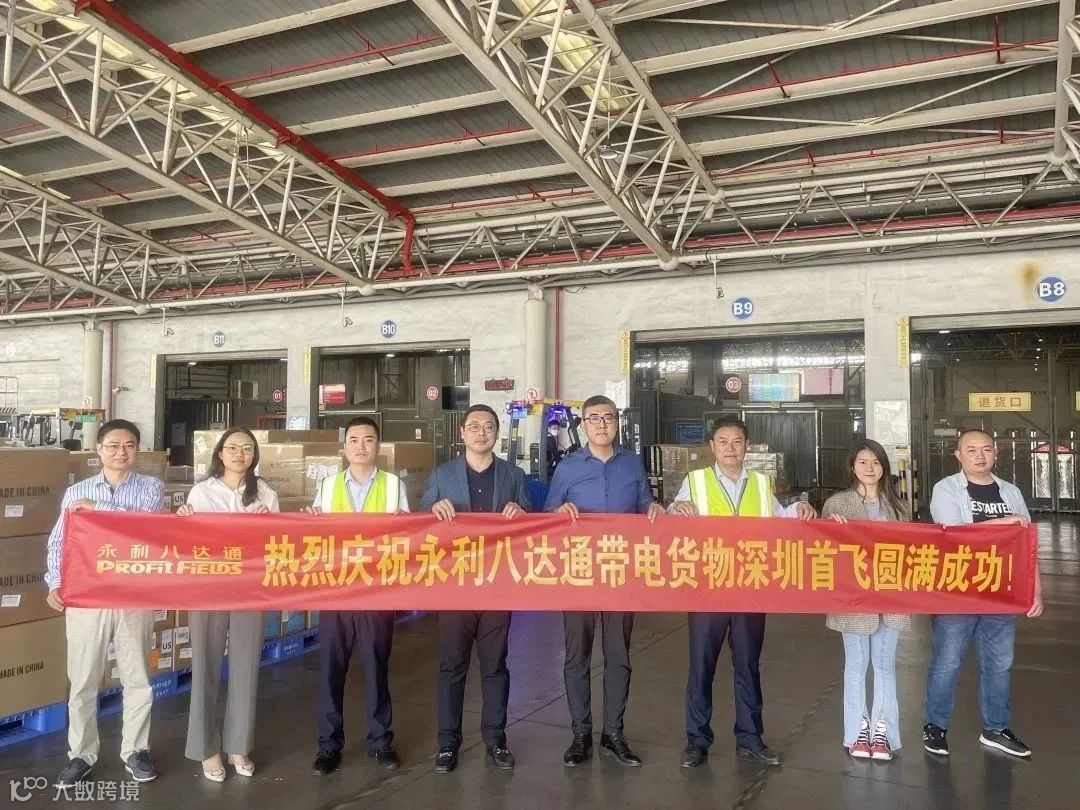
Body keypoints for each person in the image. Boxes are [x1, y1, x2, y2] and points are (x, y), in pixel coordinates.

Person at [669, 415, 815, 769]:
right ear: (712, 447)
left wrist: (800, 509)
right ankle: (697, 741)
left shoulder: (761, 484)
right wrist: (676, 508)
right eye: (723, 441)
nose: (730, 448)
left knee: (747, 666)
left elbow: (779, 517)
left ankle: (750, 738)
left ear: (746, 446)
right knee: (701, 667)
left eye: (737, 441)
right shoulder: (696, 481)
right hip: (709, 588)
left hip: (750, 587)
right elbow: (674, 515)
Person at [543, 395, 663, 768]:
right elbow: (547, 515)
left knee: (618, 657)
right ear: (583, 425)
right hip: (579, 574)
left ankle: (614, 734)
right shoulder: (567, 467)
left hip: (620, 574)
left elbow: (644, 503)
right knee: (576, 657)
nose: (601, 424)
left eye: (608, 418)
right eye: (593, 418)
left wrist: (653, 508)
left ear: (617, 423)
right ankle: (581, 734)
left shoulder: (632, 463)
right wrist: (559, 511)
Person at [45, 419, 164, 787]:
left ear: (138, 449)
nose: (120, 452)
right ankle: (80, 755)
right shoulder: (75, 492)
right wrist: (55, 582)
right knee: (82, 681)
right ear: (98, 449)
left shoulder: (151, 488)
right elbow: (59, 542)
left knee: (138, 678)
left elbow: (144, 529)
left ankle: (136, 751)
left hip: (134, 595)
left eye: (129, 445)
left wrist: (97, 507)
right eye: (112, 445)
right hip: (87, 597)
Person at [420, 404, 532, 773]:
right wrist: (433, 509)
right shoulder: (442, 475)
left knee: (495, 665)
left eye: (488, 427)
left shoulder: (514, 475)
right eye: (474, 426)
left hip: (498, 586)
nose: (481, 432)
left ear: (496, 434)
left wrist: (522, 513)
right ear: (462, 433)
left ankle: (496, 740)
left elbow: (533, 524)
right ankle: (447, 744)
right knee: (452, 666)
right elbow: (420, 521)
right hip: (455, 586)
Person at [923, 428, 1042, 758]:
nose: (980, 455)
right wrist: (1004, 523)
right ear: (958, 456)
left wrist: (1035, 589)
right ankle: (935, 726)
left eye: (986, 449)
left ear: (996, 453)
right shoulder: (946, 489)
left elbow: (1026, 545)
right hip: (957, 591)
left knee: (999, 664)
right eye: (971, 450)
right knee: (947, 662)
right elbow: (954, 534)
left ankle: (996, 728)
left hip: (1000, 591)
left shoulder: (1011, 492)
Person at [308, 416, 409, 776]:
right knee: (331, 670)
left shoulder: (394, 486)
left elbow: (408, 535)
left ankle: (380, 741)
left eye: (368, 440)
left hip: (376, 591)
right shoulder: (328, 486)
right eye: (354, 440)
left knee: (376, 666)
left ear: (378, 446)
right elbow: (314, 535)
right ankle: (328, 745)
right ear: (344, 447)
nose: (361, 446)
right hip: (336, 591)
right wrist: (311, 519)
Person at [177, 428, 279, 782]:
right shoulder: (201, 492)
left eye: (247, 448)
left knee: (246, 666)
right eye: (232, 448)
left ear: (254, 455)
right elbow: (189, 543)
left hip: (250, 589)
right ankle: (206, 749)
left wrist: (268, 525)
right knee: (205, 665)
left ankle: (238, 745)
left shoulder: (265, 493)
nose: (239, 454)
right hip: (209, 588)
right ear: (220, 453)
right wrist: (185, 521)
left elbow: (277, 544)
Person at [822, 440, 910, 762]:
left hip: (890, 595)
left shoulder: (898, 507)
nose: (870, 468)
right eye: (863, 462)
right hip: (854, 599)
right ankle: (858, 731)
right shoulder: (837, 504)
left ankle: (882, 731)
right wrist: (830, 529)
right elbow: (821, 549)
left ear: (883, 467)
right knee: (856, 665)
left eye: (875, 462)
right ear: (853, 467)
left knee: (884, 665)